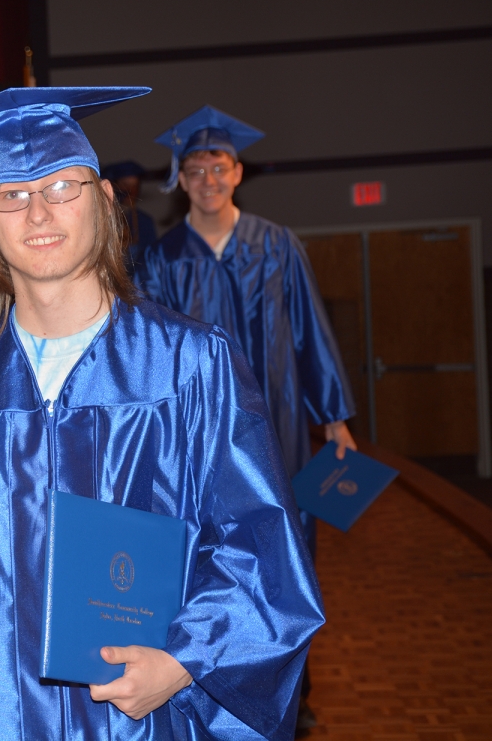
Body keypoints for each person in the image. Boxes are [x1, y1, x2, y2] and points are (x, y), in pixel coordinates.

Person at [0, 88, 325, 740]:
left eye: (63, 186)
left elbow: (261, 544)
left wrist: (185, 659)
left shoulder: (190, 364)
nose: (39, 211)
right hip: (1, 713)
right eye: (13, 195)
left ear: (106, 203)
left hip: (147, 715)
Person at [136, 105, 356, 734]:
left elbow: (312, 328)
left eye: (220, 165)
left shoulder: (277, 243)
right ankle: (211, 682)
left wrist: (334, 415)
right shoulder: (164, 257)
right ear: (181, 176)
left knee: (287, 553)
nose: (209, 177)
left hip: (279, 424)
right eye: (197, 167)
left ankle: (293, 686)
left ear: (238, 172)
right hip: (199, 434)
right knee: (210, 552)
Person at [100, 159, 156, 269]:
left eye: (135, 186)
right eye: (125, 185)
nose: (130, 191)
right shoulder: (103, 220)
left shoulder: (145, 222)